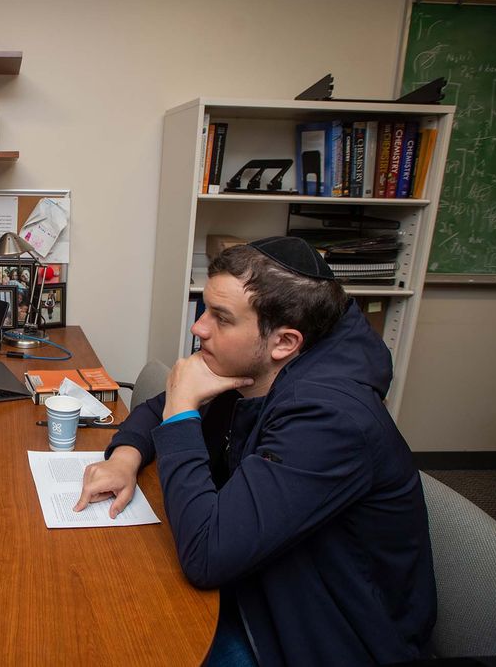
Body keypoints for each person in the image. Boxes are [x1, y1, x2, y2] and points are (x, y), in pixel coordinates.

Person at [75, 237, 435, 666]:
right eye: (204, 308)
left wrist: (181, 416)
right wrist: (125, 458)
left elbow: (207, 556)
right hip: (260, 584)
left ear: (284, 341)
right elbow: (161, 404)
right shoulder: (257, 364)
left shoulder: (331, 421)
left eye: (221, 318)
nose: (199, 328)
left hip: (319, 637)